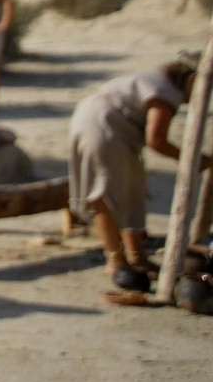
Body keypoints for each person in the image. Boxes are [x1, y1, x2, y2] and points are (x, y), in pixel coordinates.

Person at [68, 51, 207, 292]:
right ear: (192, 79)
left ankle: (134, 257)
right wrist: (195, 160)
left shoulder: (154, 80)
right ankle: (115, 259)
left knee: (127, 190)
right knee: (106, 191)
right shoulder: (165, 93)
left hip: (91, 119)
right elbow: (156, 140)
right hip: (106, 125)